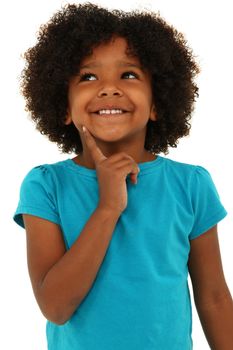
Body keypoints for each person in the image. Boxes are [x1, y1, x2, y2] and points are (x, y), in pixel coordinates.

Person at [13, 3, 233, 349]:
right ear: (64, 108)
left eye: (128, 75)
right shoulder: (45, 186)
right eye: (88, 76)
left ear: (157, 102)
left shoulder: (190, 184)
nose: (109, 88)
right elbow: (54, 307)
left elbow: (215, 298)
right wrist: (108, 207)